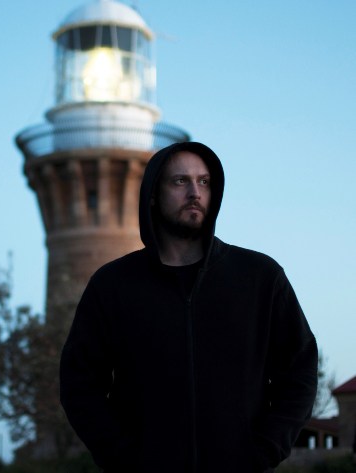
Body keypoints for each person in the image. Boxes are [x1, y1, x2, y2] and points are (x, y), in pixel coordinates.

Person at [59, 142, 317, 473]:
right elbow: (79, 383)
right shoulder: (113, 285)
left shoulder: (260, 277)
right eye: (180, 181)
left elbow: (299, 371)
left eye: (204, 182)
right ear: (153, 194)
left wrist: (263, 451)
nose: (195, 192)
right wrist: (123, 458)